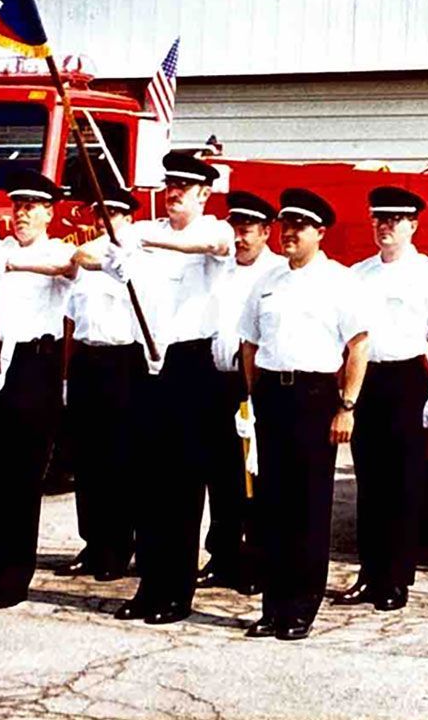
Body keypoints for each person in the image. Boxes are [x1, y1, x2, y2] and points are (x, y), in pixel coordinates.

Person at [237, 188, 369, 641]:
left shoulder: (339, 281)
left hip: (314, 397)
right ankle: (273, 606)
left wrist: (346, 405)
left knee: (308, 507)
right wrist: (254, 397)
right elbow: (250, 341)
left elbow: (358, 346)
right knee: (271, 505)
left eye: (299, 227)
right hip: (272, 393)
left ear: (320, 232)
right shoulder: (268, 279)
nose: (289, 233)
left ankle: (301, 608)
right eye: (285, 225)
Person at [111, 151, 233, 626]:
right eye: (170, 184)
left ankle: (175, 593)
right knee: (146, 482)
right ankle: (150, 586)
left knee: (182, 485)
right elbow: (87, 256)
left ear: (204, 192)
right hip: (146, 360)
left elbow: (213, 248)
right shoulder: (146, 232)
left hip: (190, 364)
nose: (174, 192)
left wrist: (139, 241)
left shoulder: (213, 229)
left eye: (185, 186)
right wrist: (117, 257)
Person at [0, 168, 76, 610]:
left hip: (33, 365)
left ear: (48, 212)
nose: (22, 214)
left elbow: (66, 266)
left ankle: (14, 577)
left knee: (22, 477)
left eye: (31, 207)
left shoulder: (57, 249)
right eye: (17, 206)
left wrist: (10, 263)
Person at [333, 185, 428, 612]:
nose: (385, 227)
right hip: (368, 380)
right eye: (379, 219)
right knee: (370, 483)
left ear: (413, 225)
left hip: (408, 381)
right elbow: (348, 336)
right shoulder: (358, 273)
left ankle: (395, 578)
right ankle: (369, 573)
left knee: (403, 485)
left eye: (394, 220)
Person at [58, 184, 146, 582]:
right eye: (100, 213)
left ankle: (120, 546)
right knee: (88, 458)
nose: (104, 219)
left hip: (124, 361)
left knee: (121, 457)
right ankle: (94, 543)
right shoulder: (88, 255)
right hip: (87, 360)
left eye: (114, 213)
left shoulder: (139, 256)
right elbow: (72, 312)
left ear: (128, 217)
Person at [198, 191, 282, 595]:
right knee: (220, 473)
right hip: (215, 381)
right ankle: (223, 554)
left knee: (256, 474)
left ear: (266, 232)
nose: (241, 238)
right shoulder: (220, 269)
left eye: (248, 230)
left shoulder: (278, 273)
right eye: (236, 229)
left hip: (257, 383)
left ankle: (259, 557)